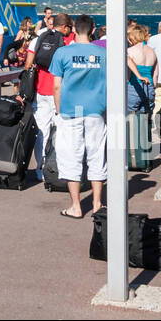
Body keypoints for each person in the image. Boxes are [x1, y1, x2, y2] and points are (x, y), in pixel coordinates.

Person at [50, 15, 107, 219]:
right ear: (92, 30)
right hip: (96, 110)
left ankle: (76, 205)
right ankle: (98, 203)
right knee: (97, 154)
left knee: (71, 156)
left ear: (74, 29)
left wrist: (57, 110)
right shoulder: (103, 53)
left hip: (70, 110)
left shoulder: (62, 53)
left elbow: (57, 85)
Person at [29, 14, 67, 180]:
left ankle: (40, 170)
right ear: (64, 26)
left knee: (42, 131)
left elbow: (28, 64)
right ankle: (57, 168)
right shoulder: (66, 41)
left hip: (40, 90)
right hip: (57, 92)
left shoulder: (39, 38)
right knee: (60, 130)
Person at [125, 22, 157, 114]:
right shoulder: (152, 52)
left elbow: (128, 72)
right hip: (149, 87)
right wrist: (153, 87)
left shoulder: (130, 51)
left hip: (134, 86)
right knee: (146, 116)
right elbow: (156, 74)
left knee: (129, 116)